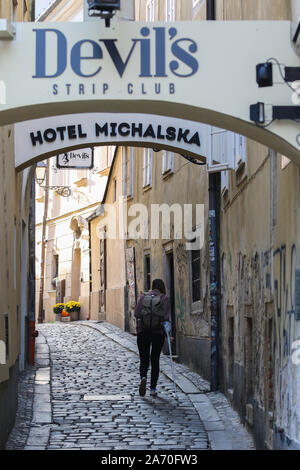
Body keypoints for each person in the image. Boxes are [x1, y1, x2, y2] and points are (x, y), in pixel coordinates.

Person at [134, 278, 171, 397]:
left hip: (143, 332)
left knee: (144, 360)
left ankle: (143, 377)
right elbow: (166, 318)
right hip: (158, 333)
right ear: (162, 287)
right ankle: (153, 388)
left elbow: (137, 313)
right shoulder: (164, 298)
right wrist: (169, 335)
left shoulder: (143, 297)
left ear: (152, 286)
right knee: (155, 360)